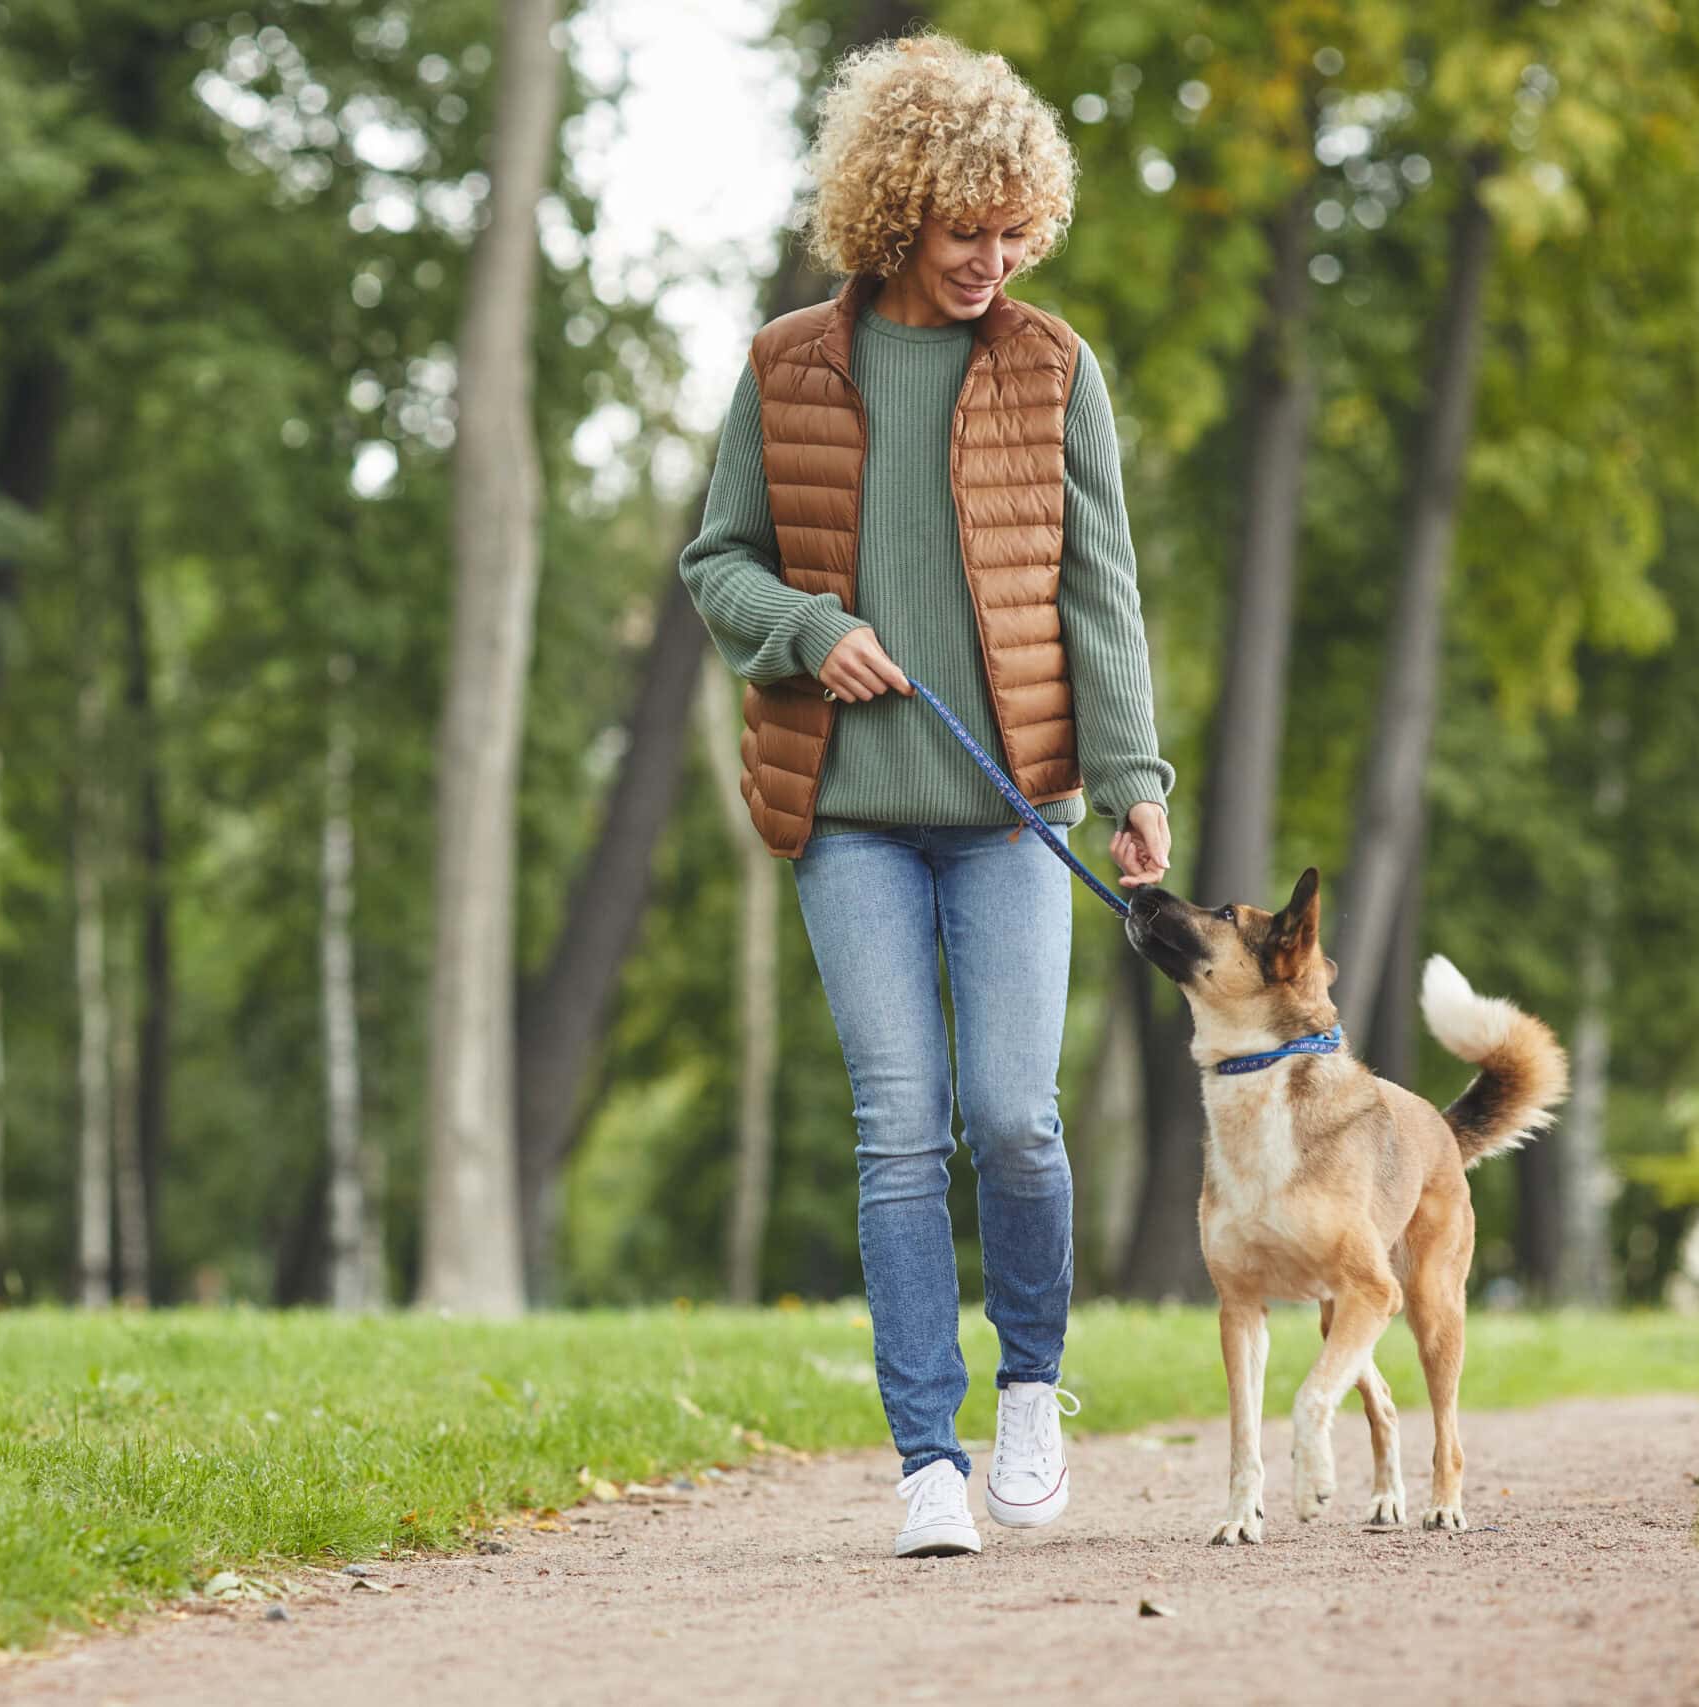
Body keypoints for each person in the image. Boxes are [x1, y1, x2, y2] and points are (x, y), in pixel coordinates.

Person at [678, 32, 1175, 1560]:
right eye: (970, 231)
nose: (995, 259)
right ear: (897, 214)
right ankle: (923, 1463)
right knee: (900, 1128)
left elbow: (1102, 590)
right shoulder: (787, 366)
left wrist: (1135, 775)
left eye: (1018, 231)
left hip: (1017, 808)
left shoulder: (1052, 367)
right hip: (849, 813)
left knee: (1015, 1121)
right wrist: (809, 630)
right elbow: (717, 561)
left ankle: (1032, 1389)